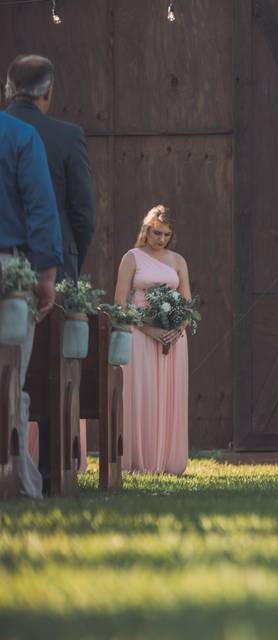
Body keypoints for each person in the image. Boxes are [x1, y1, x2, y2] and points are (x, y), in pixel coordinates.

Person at [0, 111, 62, 497]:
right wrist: (45, 276)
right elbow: (40, 206)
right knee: (9, 375)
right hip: (8, 268)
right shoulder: (19, 136)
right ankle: (17, 482)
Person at [114, 205, 190, 474]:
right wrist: (148, 329)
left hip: (173, 339)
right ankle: (139, 458)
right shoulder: (131, 258)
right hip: (140, 336)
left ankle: (168, 460)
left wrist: (177, 328)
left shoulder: (178, 261)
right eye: (157, 233)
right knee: (142, 394)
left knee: (170, 396)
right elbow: (120, 303)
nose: (161, 239)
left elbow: (187, 303)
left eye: (166, 234)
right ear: (146, 230)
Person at [5, 54, 95, 281]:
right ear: (48, 91)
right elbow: (83, 213)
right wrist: (72, 256)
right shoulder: (68, 136)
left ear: (9, 89)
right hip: (57, 263)